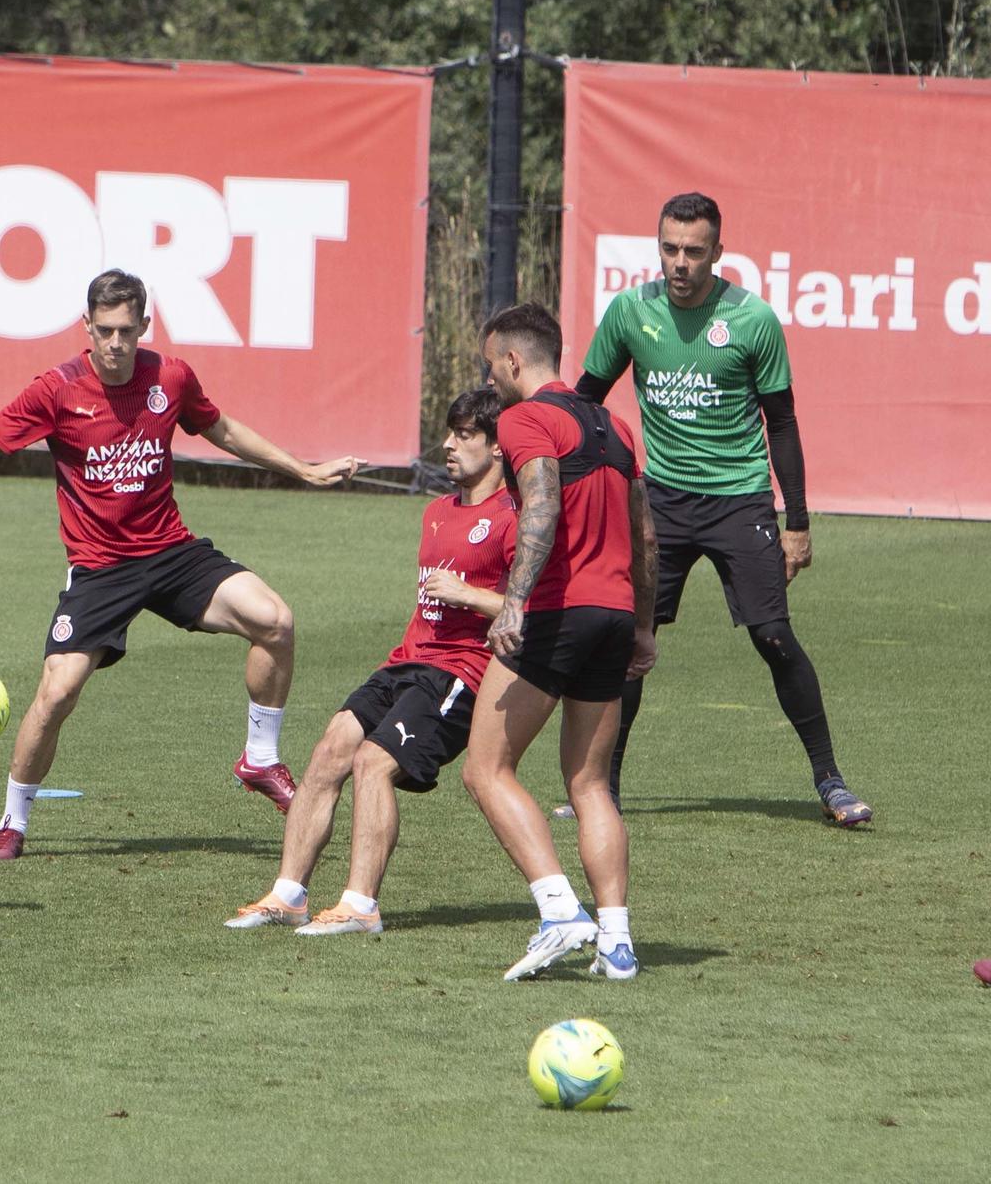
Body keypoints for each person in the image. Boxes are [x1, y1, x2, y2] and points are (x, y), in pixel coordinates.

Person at [0, 268, 363, 860]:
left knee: (275, 619)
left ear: (144, 325)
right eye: (104, 331)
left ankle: (261, 757)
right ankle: (12, 822)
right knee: (57, 692)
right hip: (100, 569)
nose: (116, 343)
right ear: (86, 327)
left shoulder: (169, 376)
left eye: (126, 330)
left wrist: (300, 469)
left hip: (170, 552)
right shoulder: (56, 388)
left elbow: (219, 427)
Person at [576, 192, 872, 827]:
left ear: (717, 252)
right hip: (661, 507)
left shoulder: (752, 319)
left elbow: (783, 424)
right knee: (628, 642)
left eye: (693, 251)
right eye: (670, 249)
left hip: (741, 501)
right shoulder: (630, 312)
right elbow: (586, 400)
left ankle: (831, 781)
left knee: (773, 635)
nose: (680, 262)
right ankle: (603, 787)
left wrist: (797, 523)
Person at [226, 388, 516, 935]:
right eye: (450, 432)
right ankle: (287, 895)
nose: (448, 445)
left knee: (373, 763)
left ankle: (360, 906)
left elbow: (539, 610)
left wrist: (471, 596)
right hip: (406, 661)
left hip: (462, 672)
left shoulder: (514, 517)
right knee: (331, 748)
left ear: (499, 449)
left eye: (464, 435)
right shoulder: (436, 511)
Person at [460, 302, 656, 982]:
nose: (492, 379)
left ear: (514, 360)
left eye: (492, 365)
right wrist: (643, 625)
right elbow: (646, 534)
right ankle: (617, 940)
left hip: (557, 611)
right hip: (613, 613)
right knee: (589, 781)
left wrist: (513, 601)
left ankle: (558, 909)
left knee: (485, 769)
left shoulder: (525, 418)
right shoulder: (615, 423)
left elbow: (539, 504)